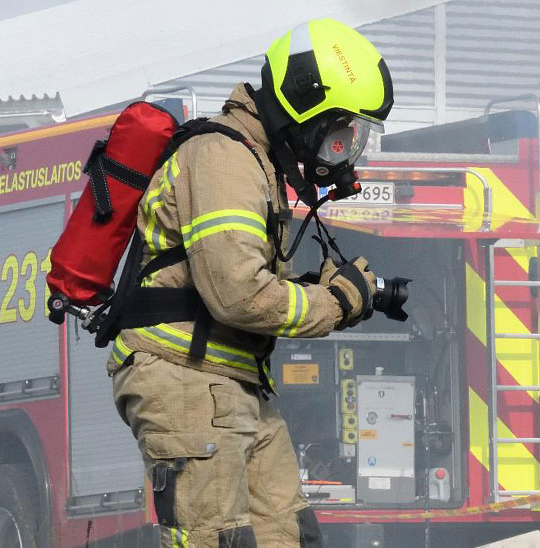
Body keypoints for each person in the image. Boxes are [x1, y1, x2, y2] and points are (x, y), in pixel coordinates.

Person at [106, 18, 393, 548]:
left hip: (229, 380)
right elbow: (240, 296)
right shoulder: (223, 159)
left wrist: (323, 289)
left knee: (289, 534)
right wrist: (335, 301)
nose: (343, 153)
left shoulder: (251, 163)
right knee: (219, 540)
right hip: (186, 379)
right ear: (306, 109)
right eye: (341, 134)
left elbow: (237, 282)